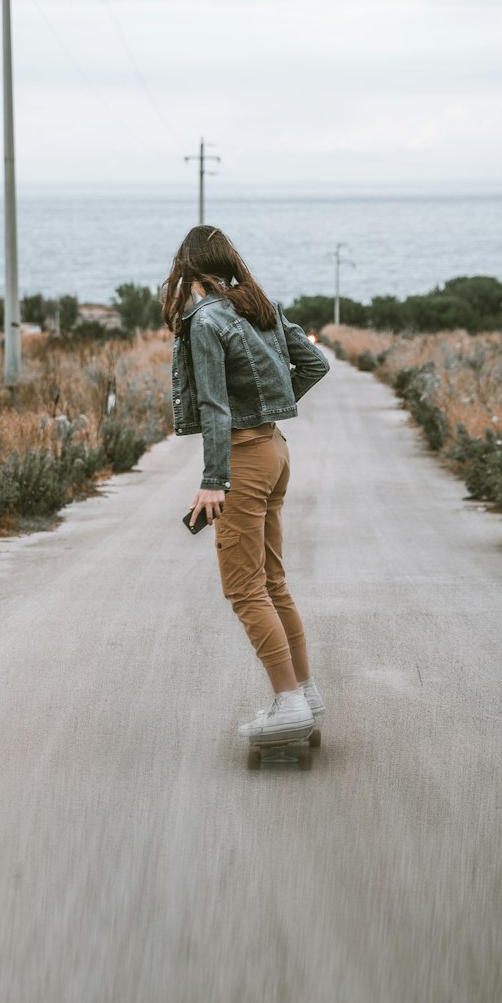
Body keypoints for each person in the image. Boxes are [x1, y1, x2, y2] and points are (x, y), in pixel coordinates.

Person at [162, 224, 330, 745]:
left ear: (189, 272)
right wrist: (269, 409)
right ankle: (303, 691)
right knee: (272, 581)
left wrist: (215, 479)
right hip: (275, 451)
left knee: (244, 589)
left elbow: (214, 405)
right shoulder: (261, 305)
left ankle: (289, 703)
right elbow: (314, 363)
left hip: (243, 460)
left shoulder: (206, 319)